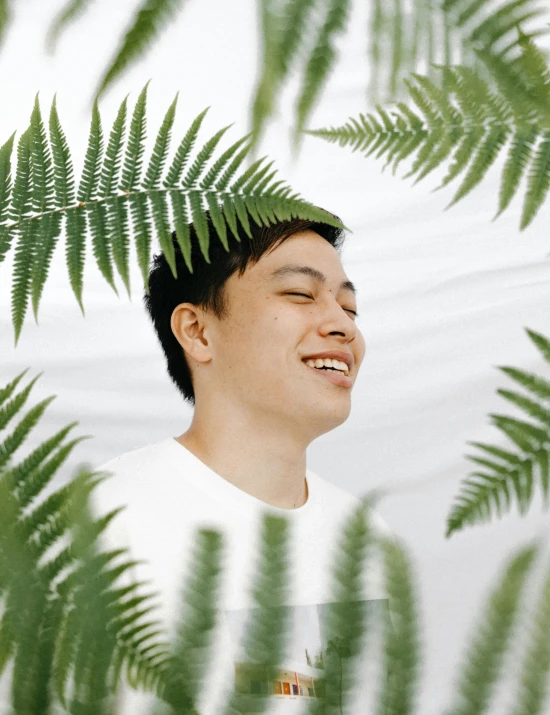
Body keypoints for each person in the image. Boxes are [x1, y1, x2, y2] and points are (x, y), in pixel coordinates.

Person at [91, 208, 393, 715]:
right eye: (300, 294)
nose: (342, 326)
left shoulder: (366, 538)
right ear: (198, 331)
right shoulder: (98, 520)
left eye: (351, 308)